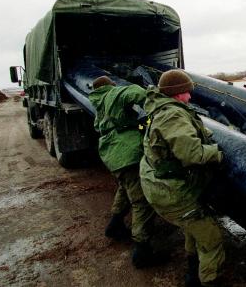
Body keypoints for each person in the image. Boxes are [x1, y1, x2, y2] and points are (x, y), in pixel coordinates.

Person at [140, 69, 225, 287]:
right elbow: (192, 154)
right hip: (171, 191)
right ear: (177, 93)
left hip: (160, 185)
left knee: (192, 228)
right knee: (211, 238)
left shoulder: (161, 109)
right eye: (187, 92)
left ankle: (192, 275)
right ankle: (209, 281)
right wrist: (218, 153)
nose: (189, 97)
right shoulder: (172, 115)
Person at [89, 76, 161, 269]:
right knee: (141, 201)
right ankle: (142, 250)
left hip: (112, 151)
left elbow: (123, 125)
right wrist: (158, 97)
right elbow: (138, 93)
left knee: (125, 186)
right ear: (110, 86)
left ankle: (115, 224)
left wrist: (143, 124)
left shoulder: (99, 102)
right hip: (127, 152)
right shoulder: (115, 92)